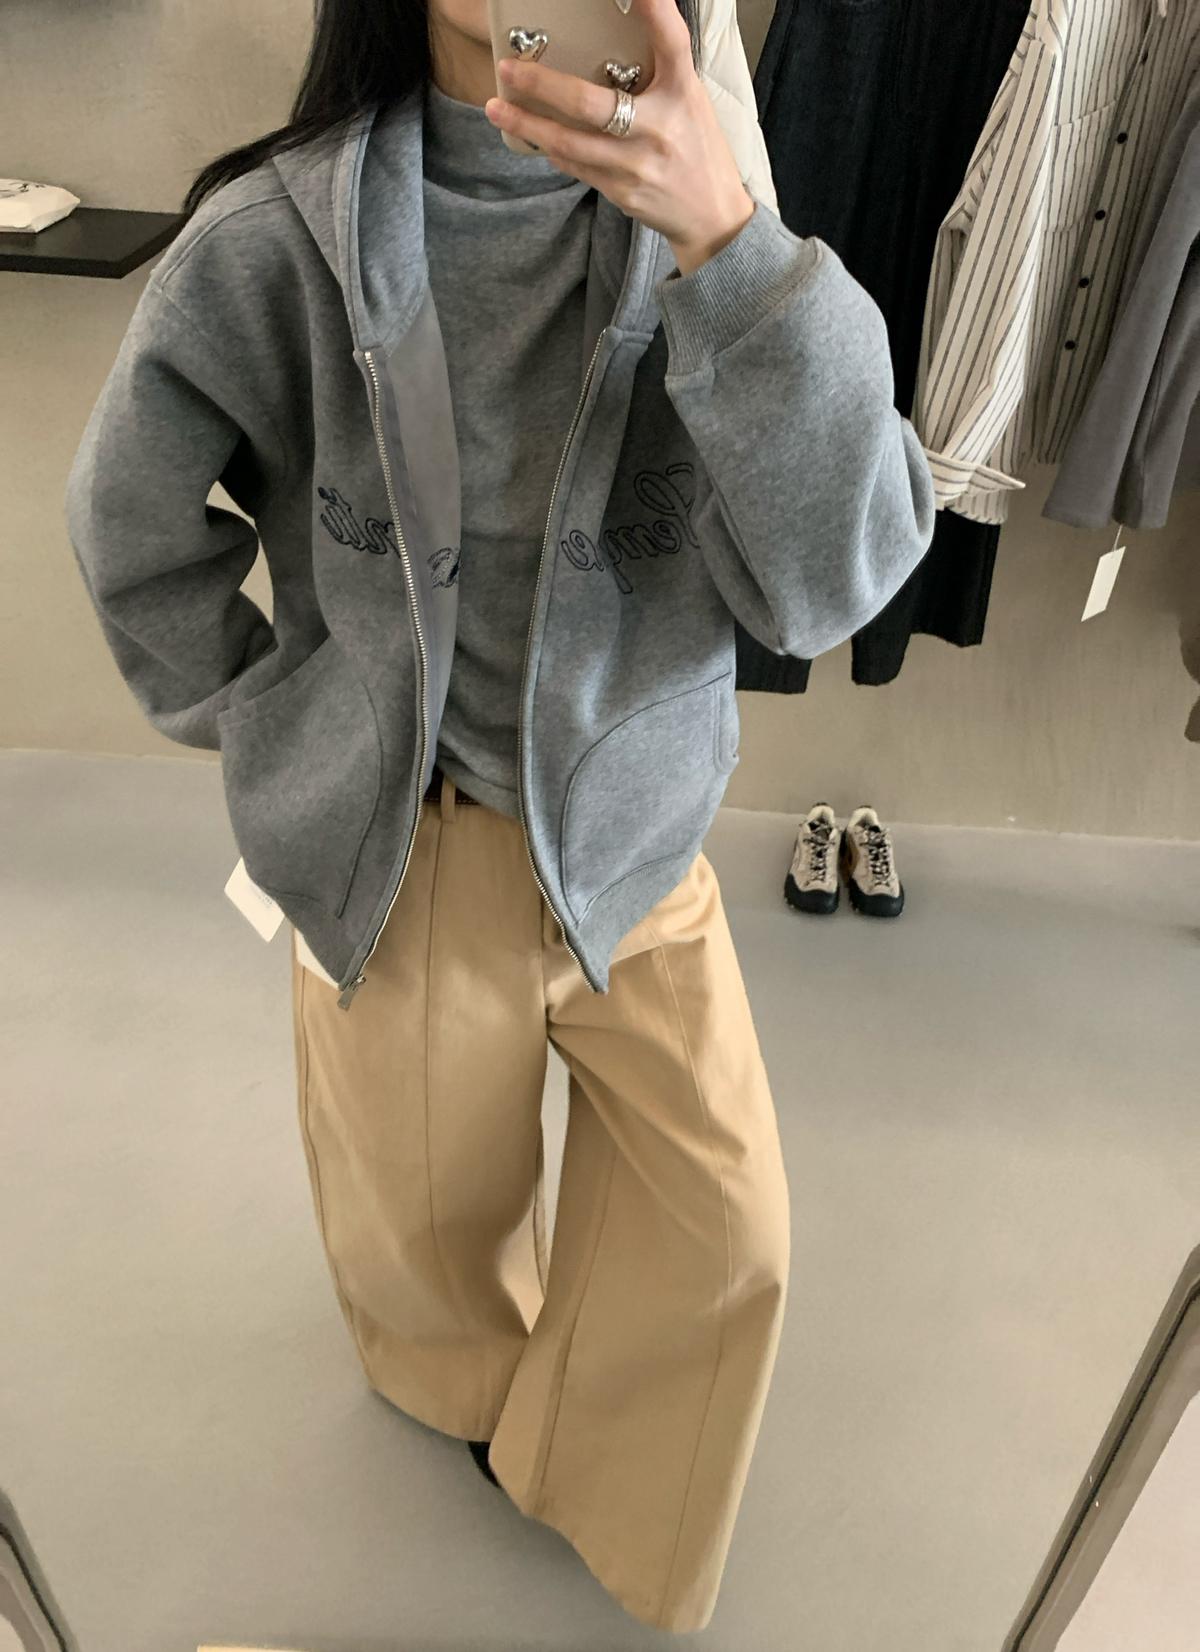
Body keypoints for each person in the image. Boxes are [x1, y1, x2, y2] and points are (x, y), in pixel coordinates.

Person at [65, 0, 935, 1631]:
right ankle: (467, 1409)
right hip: (407, 856)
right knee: (428, 1253)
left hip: (637, 848)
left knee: (730, 1237)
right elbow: (129, 527)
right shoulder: (274, 238)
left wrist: (731, 247)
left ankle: (591, 1470)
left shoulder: (718, 226)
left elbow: (835, 582)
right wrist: (276, 724)